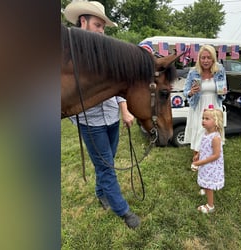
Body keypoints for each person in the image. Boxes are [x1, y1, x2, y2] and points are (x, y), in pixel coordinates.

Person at [64, 1, 140, 229]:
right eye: (98, 25)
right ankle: (123, 211)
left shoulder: (105, 53)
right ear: (83, 22)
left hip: (111, 117)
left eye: (103, 27)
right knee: (106, 165)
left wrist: (124, 110)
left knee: (107, 161)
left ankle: (101, 192)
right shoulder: (69, 54)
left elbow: (118, 86)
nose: (101, 30)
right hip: (91, 122)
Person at [183, 45, 227, 160]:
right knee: (199, 132)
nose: (206, 61)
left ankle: (213, 159)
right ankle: (197, 159)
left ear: (213, 58)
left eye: (209, 57)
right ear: (199, 58)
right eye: (203, 58)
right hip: (199, 106)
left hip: (215, 105)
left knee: (214, 132)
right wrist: (191, 92)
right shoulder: (193, 72)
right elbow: (185, 91)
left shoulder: (219, 69)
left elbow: (223, 88)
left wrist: (223, 91)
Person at [191, 107, 225, 213]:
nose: (203, 121)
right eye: (203, 118)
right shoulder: (206, 133)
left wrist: (199, 162)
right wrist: (198, 154)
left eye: (207, 119)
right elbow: (205, 147)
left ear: (216, 122)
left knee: (208, 184)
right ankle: (205, 189)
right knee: (204, 179)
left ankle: (210, 206)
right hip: (206, 163)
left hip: (211, 166)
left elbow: (216, 155)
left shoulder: (215, 138)